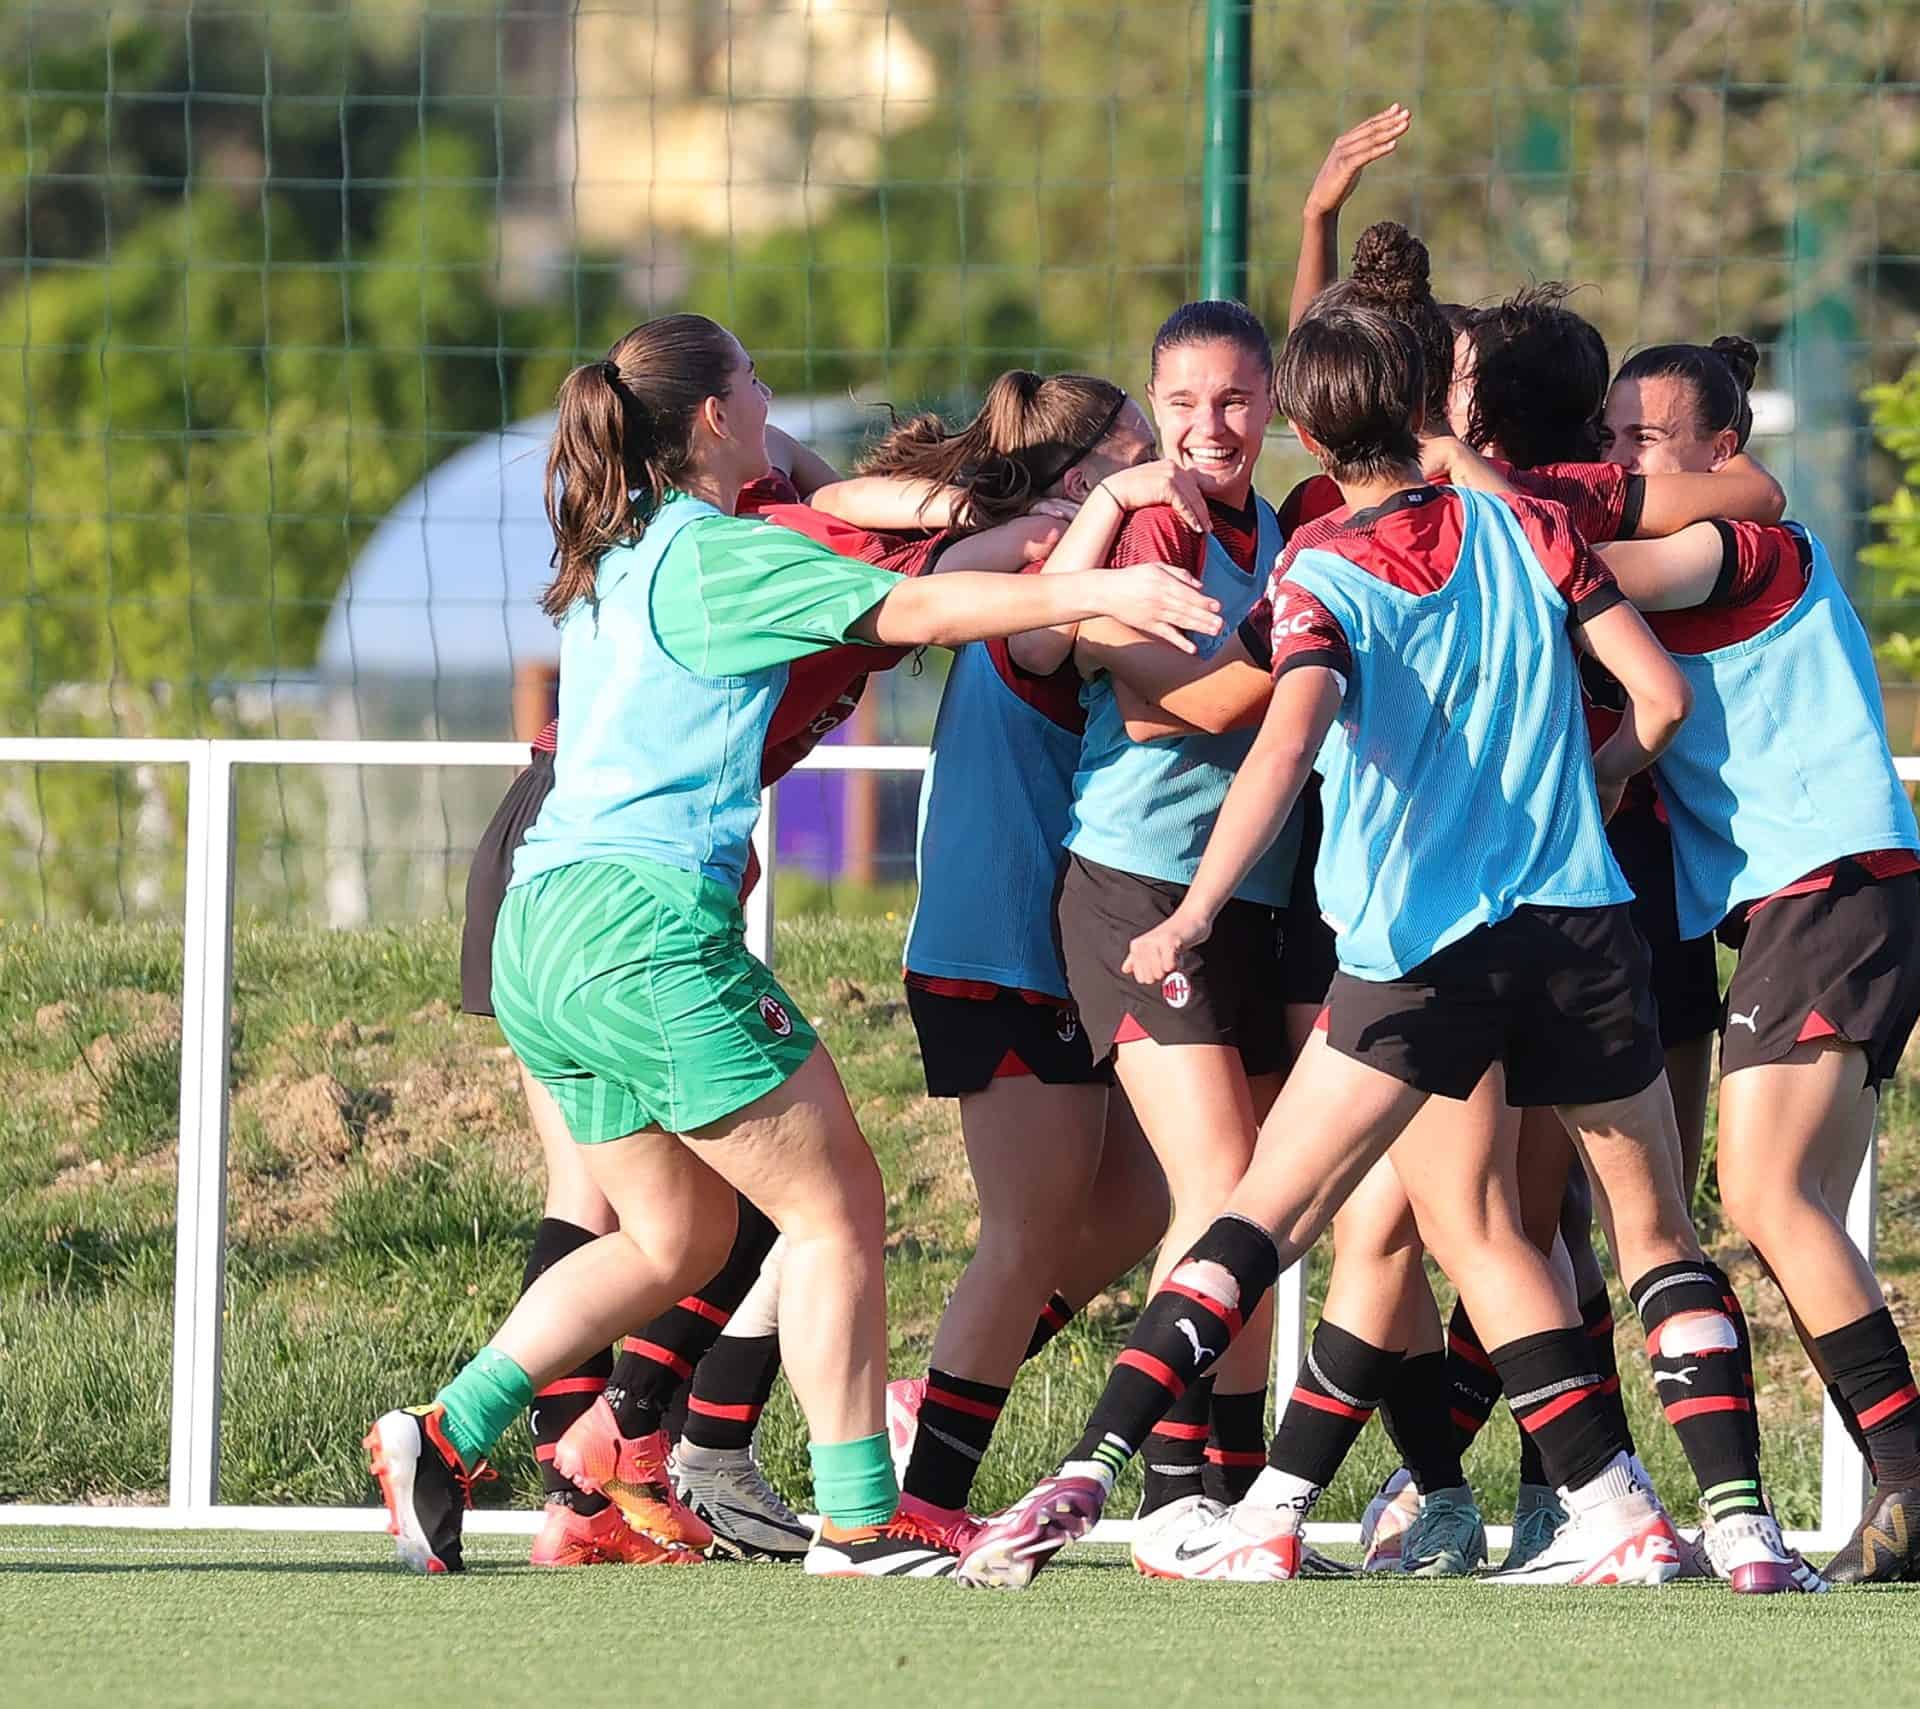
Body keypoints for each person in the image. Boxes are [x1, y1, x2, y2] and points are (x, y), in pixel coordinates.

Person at [961, 298, 1821, 1594]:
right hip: (1582, 929)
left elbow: (1282, 739)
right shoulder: (1534, 527)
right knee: (1645, 1229)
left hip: (1419, 947)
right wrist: (1582, 796)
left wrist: (1192, 908)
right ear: (1430, 404)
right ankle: (1725, 1527)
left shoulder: (1323, 570)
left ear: (1304, 428)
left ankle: (1104, 1467)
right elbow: (1661, 697)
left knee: (1281, 1211)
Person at [364, 311, 1225, 1578]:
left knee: (674, 1239)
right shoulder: (723, 555)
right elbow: (919, 611)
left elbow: (873, 514)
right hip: (636, 927)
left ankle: (448, 1429)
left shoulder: (625, 541)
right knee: (837, 1208)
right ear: (714, 415)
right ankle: (865, 1519)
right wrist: (1097, 578)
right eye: (756, 379)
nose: (771, 395)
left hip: (544, 923)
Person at [1597, 338, 1920, 1584]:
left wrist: (1468, 490)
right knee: (1783, 1204)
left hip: (1825, 893)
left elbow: (1588, 573)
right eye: (1606, 437)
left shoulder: (1742, 547)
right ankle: (1907, 1479)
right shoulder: (1712, 544)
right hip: (1832, 901)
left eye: (1639, 441)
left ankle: (1919, 1475)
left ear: (1723, 452)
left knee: (1761, 1195)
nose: (1615, 463)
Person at [818, 372, 1187, 1570]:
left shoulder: (1065, 546)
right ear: (1083, 474)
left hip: (1064, 940)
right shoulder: (1045, 556)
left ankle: (936, 1396)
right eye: (1140, 449)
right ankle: (912, 1498)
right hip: (998, 941)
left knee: (1135, 1203)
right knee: (1023, 1231)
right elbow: (994, 565)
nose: (1167, 465)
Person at [997, 300, 1300, 1574]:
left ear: (1274, 404)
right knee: (1223, 1187)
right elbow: (1053, 644)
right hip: (1134, 895)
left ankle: (1220, 1488)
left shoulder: (1284, 533)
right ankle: (1166, 1491)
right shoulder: (1145, 527)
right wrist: (1113, 511)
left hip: (1259, 903)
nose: (1207, 426)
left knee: (1264, 1216)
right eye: (1181, 402)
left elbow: (1239, 705)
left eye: (1233, 400)